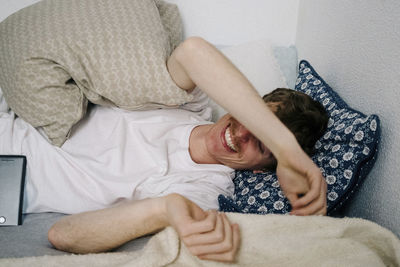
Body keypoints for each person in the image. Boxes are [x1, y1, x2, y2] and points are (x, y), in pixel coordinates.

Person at [44, 37, 328, 262]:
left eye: (261, 143)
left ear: (262, 168)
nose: (242, 133)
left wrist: (166, 209)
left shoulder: (205, 191)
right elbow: (192, 51)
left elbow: (63, 235)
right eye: (257, 120)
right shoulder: (188, 104)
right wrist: (285, 147)